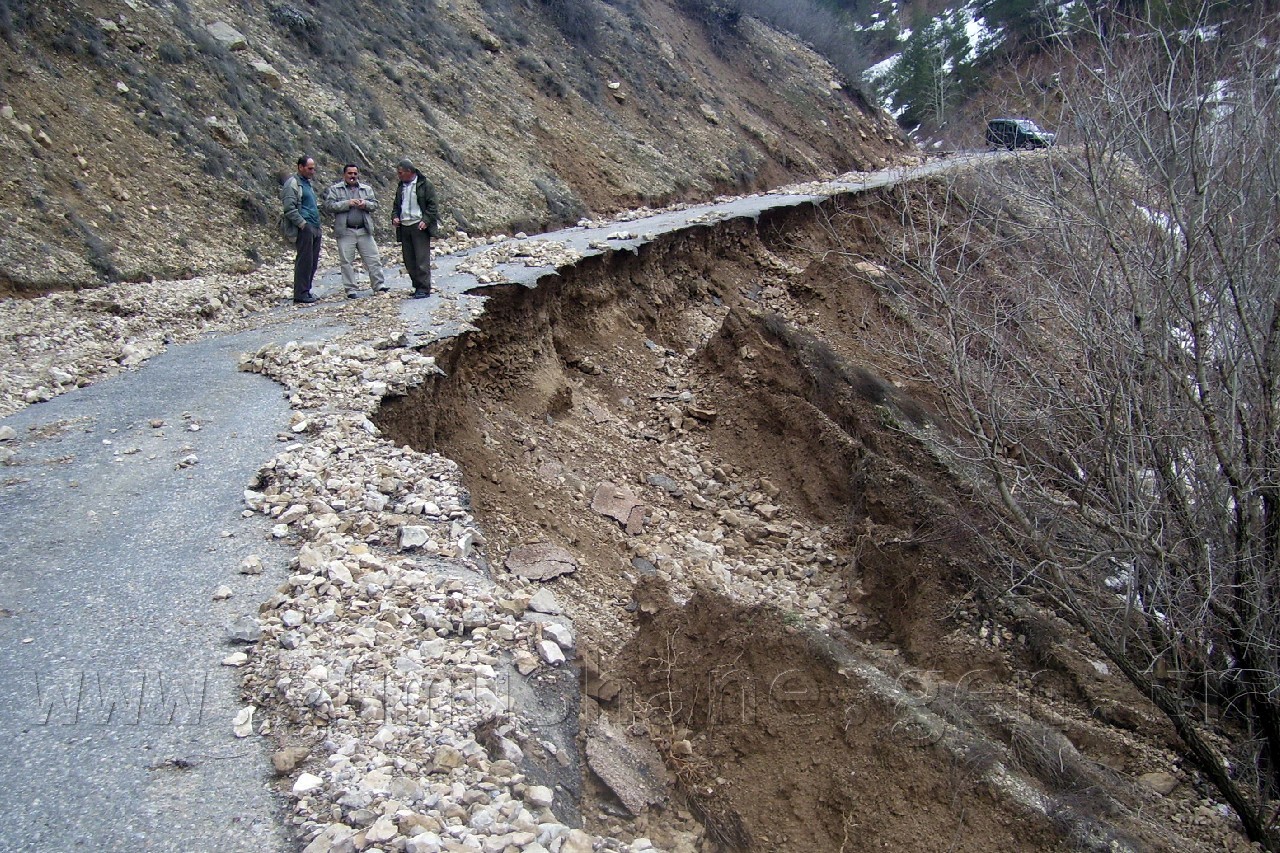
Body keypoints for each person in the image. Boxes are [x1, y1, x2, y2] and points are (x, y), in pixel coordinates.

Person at [323, 164, 387, 298]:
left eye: (355, 173)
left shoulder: (366, 189)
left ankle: (379, 285)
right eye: (350, 173)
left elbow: (375, 204)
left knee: (373, 259)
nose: (353, 176)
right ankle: (351, 290)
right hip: (346, 231)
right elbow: (329, 206)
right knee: (346, 261)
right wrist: (347, 203)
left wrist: (366, 204)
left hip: (364, 230)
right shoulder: (335, 189)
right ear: (344, 175)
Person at [392, 159, 441, 299]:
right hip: (404, 226)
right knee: (409, 260)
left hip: (418, 226)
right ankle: (417, 286)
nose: (399, 175)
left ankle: (424, 288)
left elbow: (433, 206)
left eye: (400, 173)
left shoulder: (425, 184)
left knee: (421, 259)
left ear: (409, 171)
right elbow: (396, 205)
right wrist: (394, 216)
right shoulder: (401, 186)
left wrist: (426, 220)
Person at [281, 156, 322, 304]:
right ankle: (300, 293)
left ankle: (307, 290)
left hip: (315, 226)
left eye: (313, 168)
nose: (312, 171)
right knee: (304, 261)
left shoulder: (307, 184)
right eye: (309, 168)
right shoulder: (293, 184)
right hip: (305, 228)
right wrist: (303, 224)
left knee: (312, 261)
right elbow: (289, 208)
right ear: (300, 167)